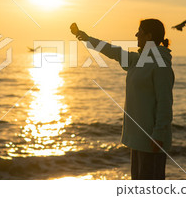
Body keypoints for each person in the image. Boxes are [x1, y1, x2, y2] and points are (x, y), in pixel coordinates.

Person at [73, 19, 174, 180]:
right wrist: (86, 38)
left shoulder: (161, 65)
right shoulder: (139, 60)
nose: (136, 35)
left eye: (139, 31)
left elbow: (165, 102)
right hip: (138, 138)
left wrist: (159, 135)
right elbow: (113, 51)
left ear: (149, 36)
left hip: (152, 140)